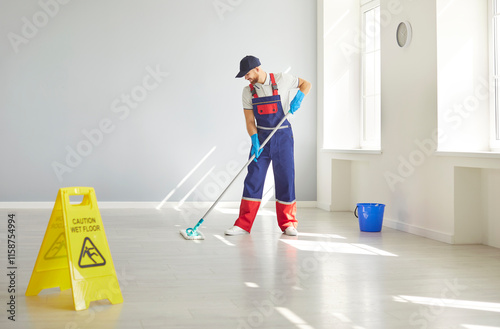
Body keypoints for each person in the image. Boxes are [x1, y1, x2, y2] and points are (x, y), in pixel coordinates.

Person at [225, 55, 311, 236]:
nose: (246, 78)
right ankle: (243, 224)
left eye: (247, 74)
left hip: (283, 136)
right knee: (253, 179)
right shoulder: (248, 92)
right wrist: (254, 140)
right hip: (261, 138)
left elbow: (306, 84)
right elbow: (249, 121)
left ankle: (288, 223)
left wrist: (299, 98)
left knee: (285, 178)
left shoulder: (282, 79)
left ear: (257, 68)